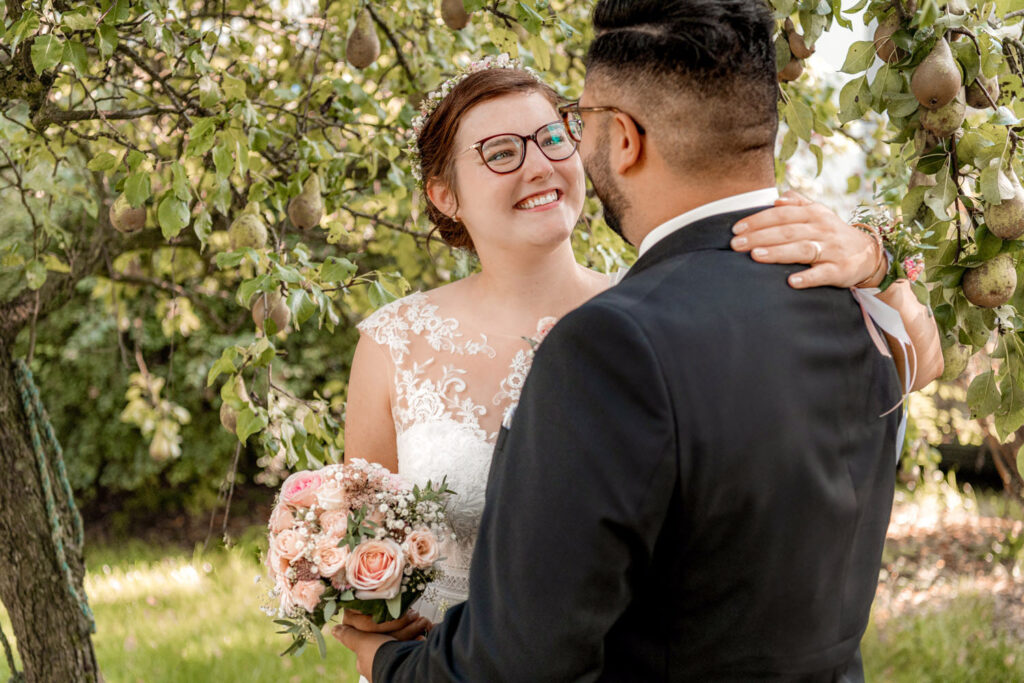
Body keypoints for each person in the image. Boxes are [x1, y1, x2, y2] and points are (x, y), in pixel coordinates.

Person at [336, 2, 942, 677]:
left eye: (568, 128)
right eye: (503, 152)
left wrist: (386, 663)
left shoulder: (619, 339)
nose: (543, 162)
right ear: (444, 193)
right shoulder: (835, 296)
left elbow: (517, 661)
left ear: (621, 139)